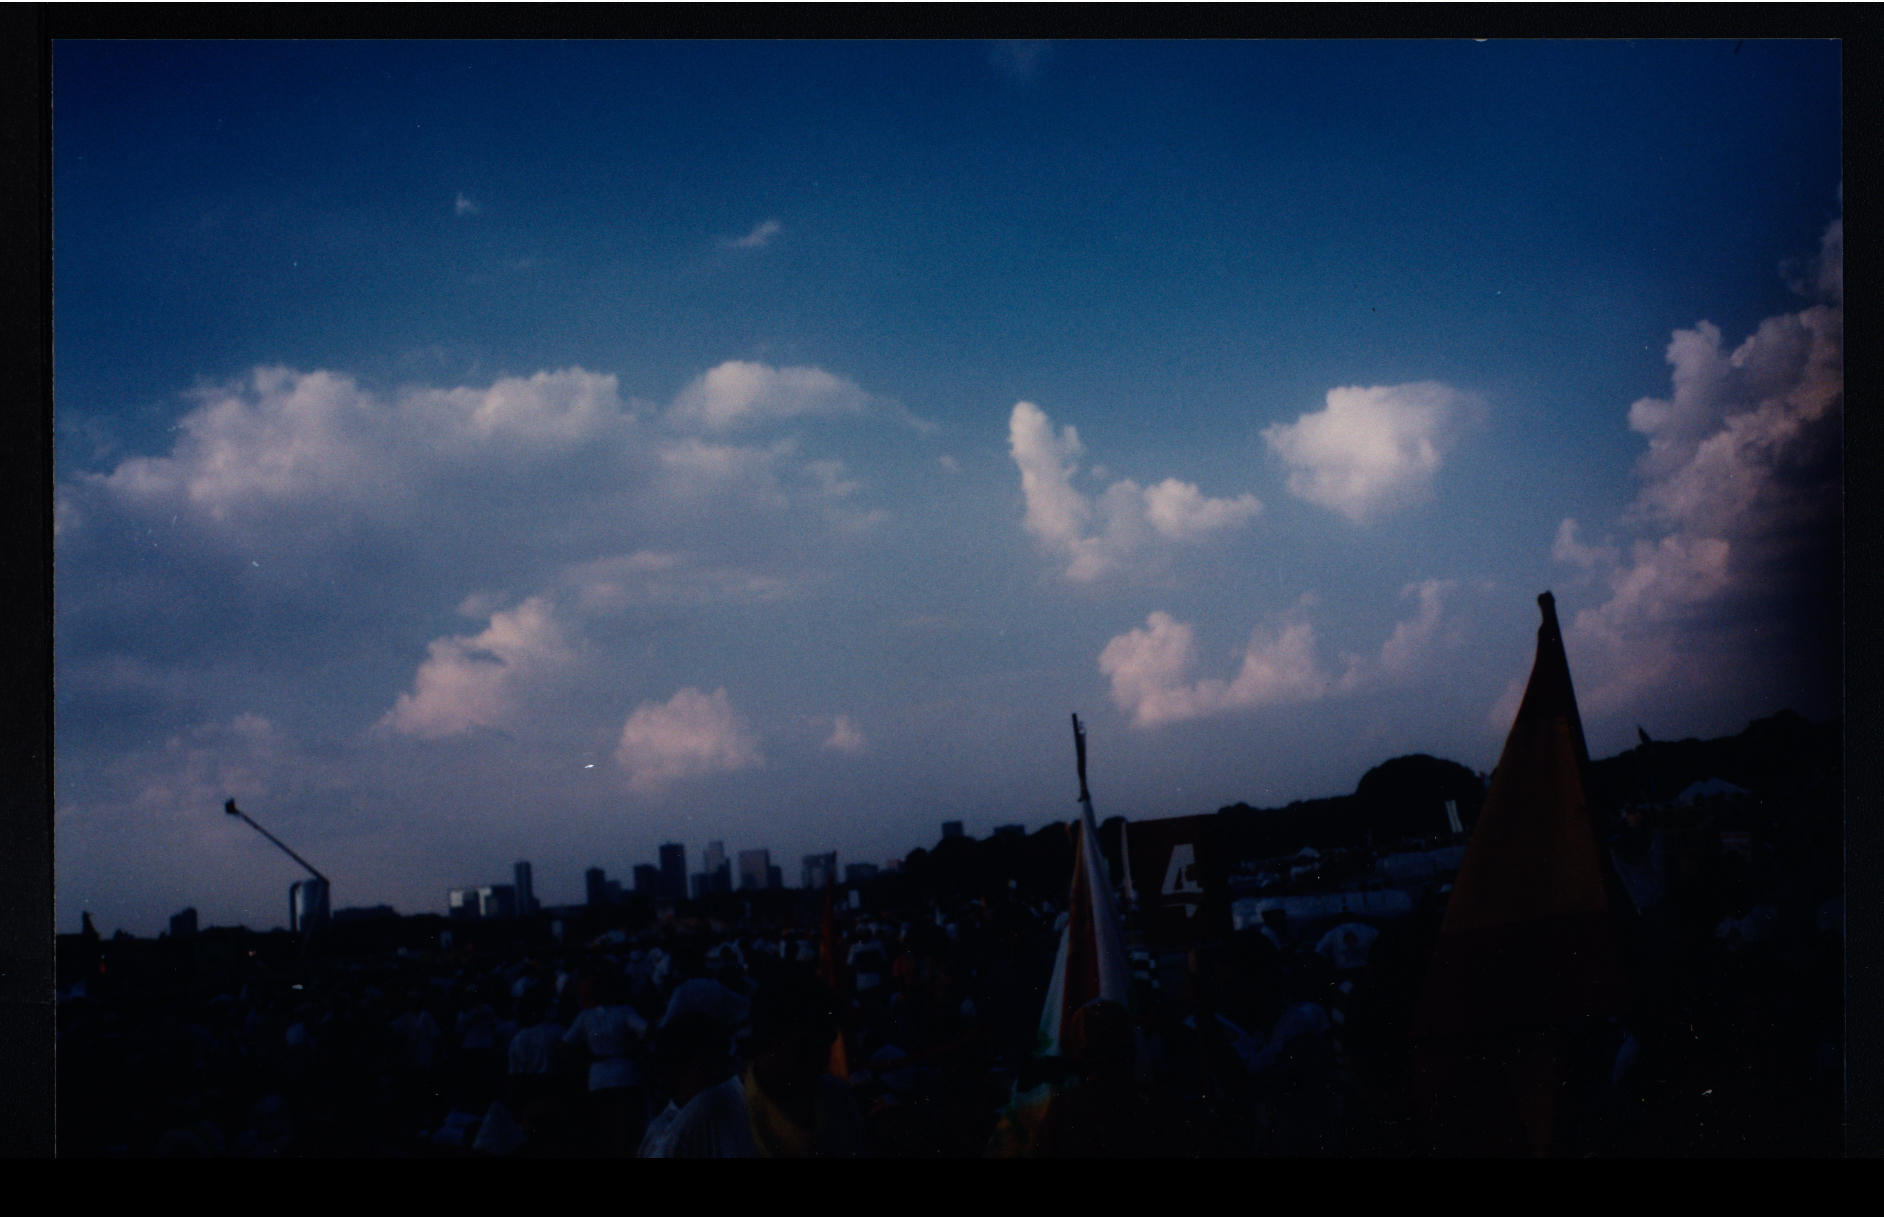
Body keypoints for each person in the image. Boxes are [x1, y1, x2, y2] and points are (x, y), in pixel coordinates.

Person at [666, 966, 866, 1157]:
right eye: (807, 1049)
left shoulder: (836, 1096)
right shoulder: (707, 1116)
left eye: (826, 1046)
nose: (823, 1060)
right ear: (767, 1041)